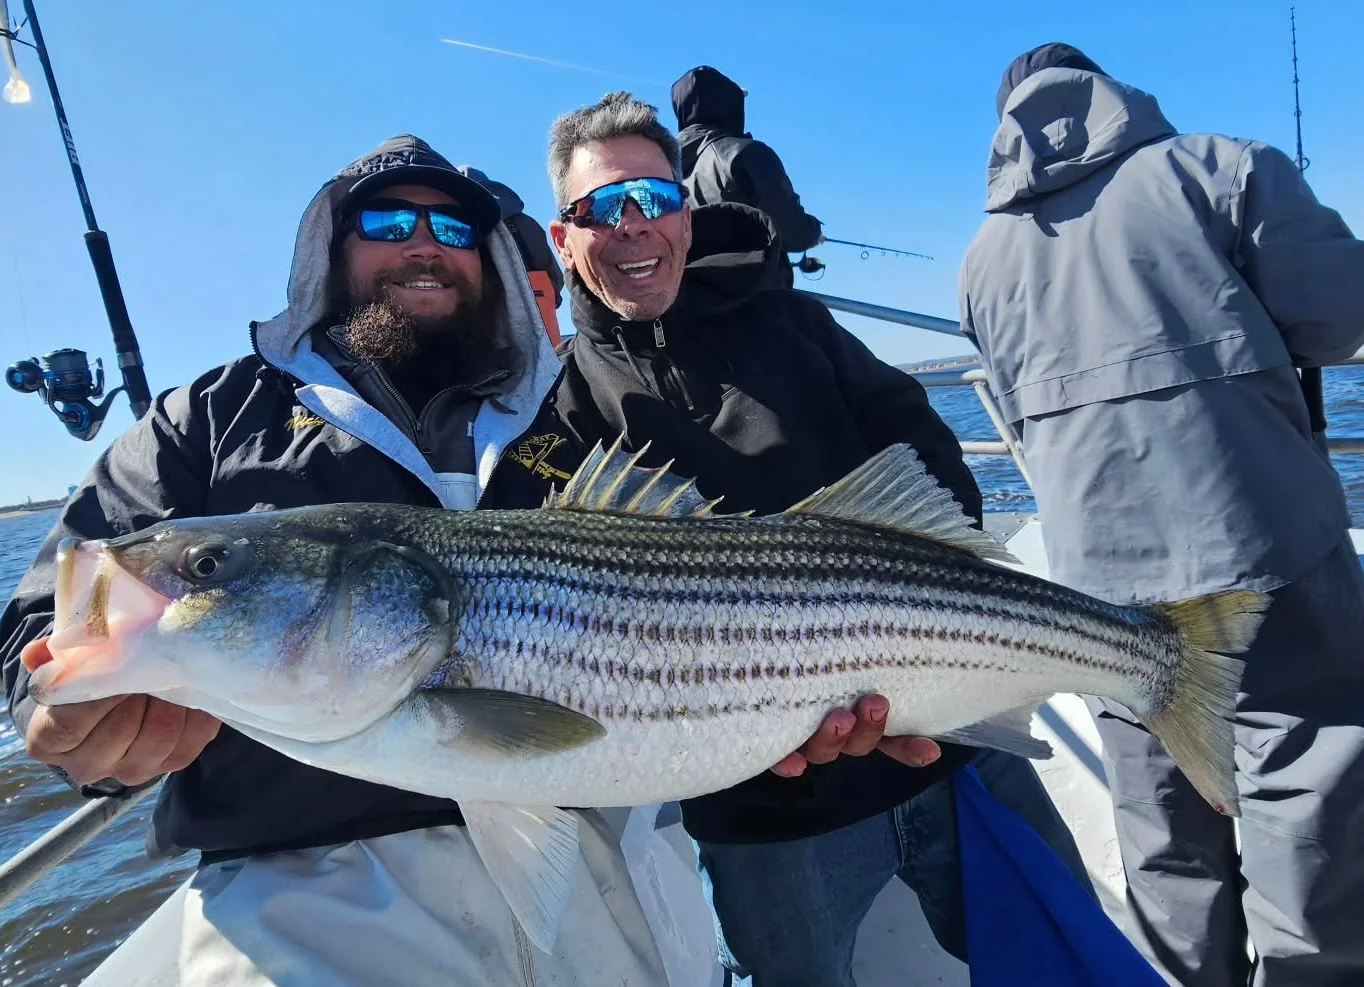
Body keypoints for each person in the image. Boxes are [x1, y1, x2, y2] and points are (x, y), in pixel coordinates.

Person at [0, 134, 673, 986]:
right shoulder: (209, 418)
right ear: (331, 248)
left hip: (588, 865)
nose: (423, 244)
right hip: (304, 901)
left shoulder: (576, 412)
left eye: (455, 231)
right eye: (388, 220)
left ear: (492, 260)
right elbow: (63, 603)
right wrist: (67, 720)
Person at [544, 89, 1092, 986]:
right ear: (564, 238)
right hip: (763, 805)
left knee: (1065, 956)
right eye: (606, 207)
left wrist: (916, 587)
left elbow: (916, 435)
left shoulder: (794, 322)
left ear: (687, 212)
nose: (637, 226)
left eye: (658, 199)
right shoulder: (563, 410)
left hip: (945, 733)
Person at [960, 42, 1364, 987]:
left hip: (1098, 585)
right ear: (1111, 92)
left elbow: (1019, 412)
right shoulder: (1225, 168)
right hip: (1267, 547)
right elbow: (1340, 319)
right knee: (1302, 789)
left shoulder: (983, 258)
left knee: (1162, 829)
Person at [671, 65, 824, 288]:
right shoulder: (746, 154)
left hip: (688, 301)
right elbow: (793, 231)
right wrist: (814, 232)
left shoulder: (663, 166)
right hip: (752, 302)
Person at [458, 163, 566, 347]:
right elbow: (556, 278)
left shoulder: (466, 222)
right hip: (544, 324)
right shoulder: (528, 223)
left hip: (493, 322)